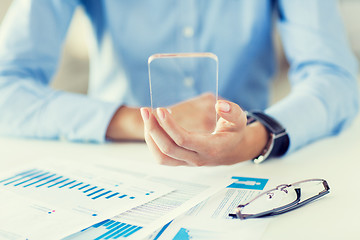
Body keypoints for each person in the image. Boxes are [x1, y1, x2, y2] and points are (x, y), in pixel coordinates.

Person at [0, 0, 358, 166]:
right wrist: (142, 121)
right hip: (112, 164)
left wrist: (255, 137)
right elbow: (6, 86)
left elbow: (336, 78)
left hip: (248, 164)